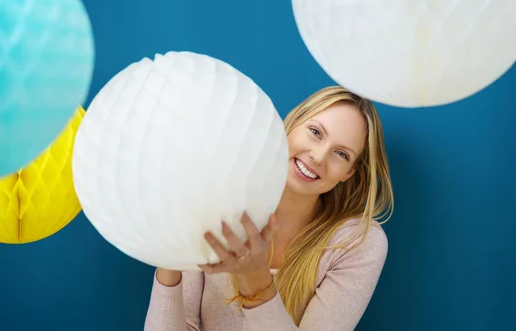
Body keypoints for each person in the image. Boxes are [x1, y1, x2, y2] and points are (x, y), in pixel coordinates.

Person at [144, 85, 394, 330]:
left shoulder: (358, 242)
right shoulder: (219, 199)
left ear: (348, 173)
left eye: (341, 154)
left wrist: (255, 278)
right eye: (315, 132)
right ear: (290, 125)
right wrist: (170, 254)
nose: (318, 156)